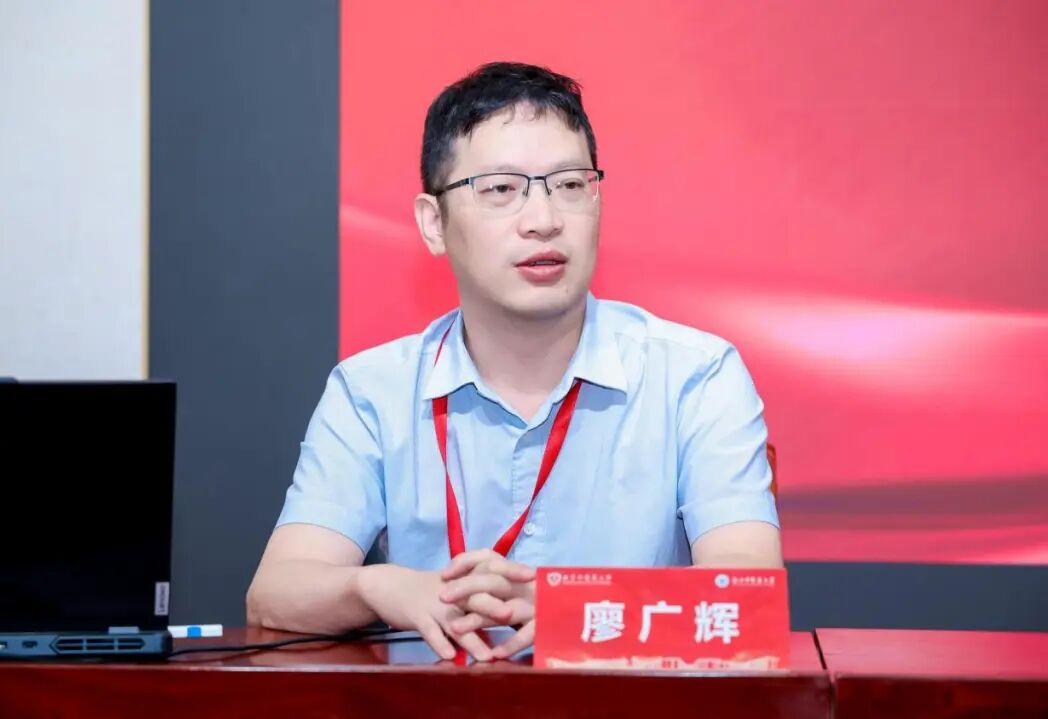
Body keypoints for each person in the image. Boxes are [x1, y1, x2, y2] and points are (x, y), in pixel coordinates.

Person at [246, 61, 781, 662]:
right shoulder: (372, 391)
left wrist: (577, 608)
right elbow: (276, 593)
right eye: (501, 190)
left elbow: (749, 596)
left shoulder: (696, 377)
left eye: (570, 185)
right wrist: (382, 587)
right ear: (433, 223)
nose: (544, 221)